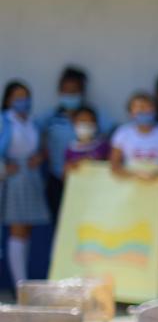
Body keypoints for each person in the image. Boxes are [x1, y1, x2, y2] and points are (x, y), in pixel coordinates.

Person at [1, 81, 50, 286]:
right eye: (18, 97)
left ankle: (22, 283)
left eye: (26, 96)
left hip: (30, 177)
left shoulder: (32, 122)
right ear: (8, 99)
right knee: (17, 229)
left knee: (25, 230)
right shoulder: (3, 120)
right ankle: (19, 284)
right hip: (10, 179)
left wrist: (38, 158)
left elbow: (41, 148)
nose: (23, 101)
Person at [41, 66, 92, 216]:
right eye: (66, 91)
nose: (70, 95)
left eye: (74, 91)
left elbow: (112, 135)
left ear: (82, 92)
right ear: (60, 92)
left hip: (86, 180)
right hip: (57, 179)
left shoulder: (93, 116)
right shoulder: (50, 117)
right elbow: (33, 134)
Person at [110, 92, 158, 181]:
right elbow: (114, 165)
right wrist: (134, 174)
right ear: (130, 112)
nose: (144, 110)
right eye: (139, 107)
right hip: (130, 184)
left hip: (157, 183)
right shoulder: (122, 133)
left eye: (148, 107)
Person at [64, 106, 110, 172]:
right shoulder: (70, 148)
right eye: (82, 121)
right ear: (74, 123)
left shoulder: (103, 145)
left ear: (95, 124)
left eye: (89, 121)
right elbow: (65, 174)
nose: (86, 125)